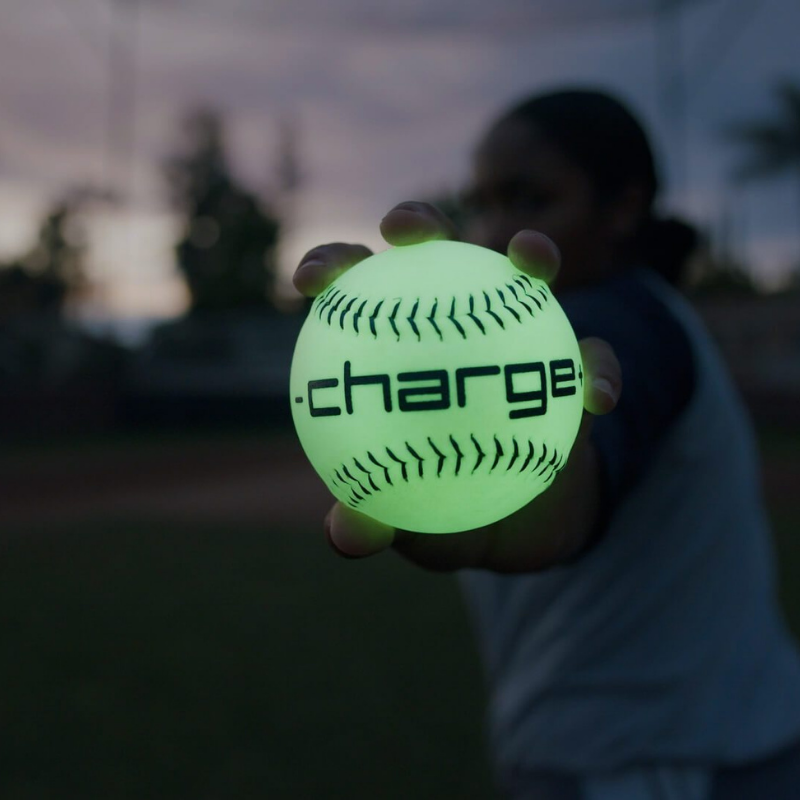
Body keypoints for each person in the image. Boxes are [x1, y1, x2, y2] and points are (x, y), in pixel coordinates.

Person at [292, 88, 800, 799]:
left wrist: (563, 487)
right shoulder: (522, 354)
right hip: (643, 748)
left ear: (621, 207)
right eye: (485, 202)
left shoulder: (631, 323)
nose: (496, 229)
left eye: (531, 200)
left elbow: (608, 408)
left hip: (665, 763)